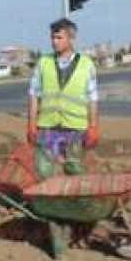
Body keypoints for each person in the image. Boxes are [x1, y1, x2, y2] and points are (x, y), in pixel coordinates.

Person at [26, 18, 100, 178]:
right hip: (47, 126)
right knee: (43, 170)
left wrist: (93, 127)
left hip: (76, 128)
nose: (54, 42)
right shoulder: (43, 63)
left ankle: (76, 193)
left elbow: (92, 99)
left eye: (59, 38)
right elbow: (33, 96)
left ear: (71, 38)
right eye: (53, 37)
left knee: (74, 169)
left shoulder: (87, 64)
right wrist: (31, 125)